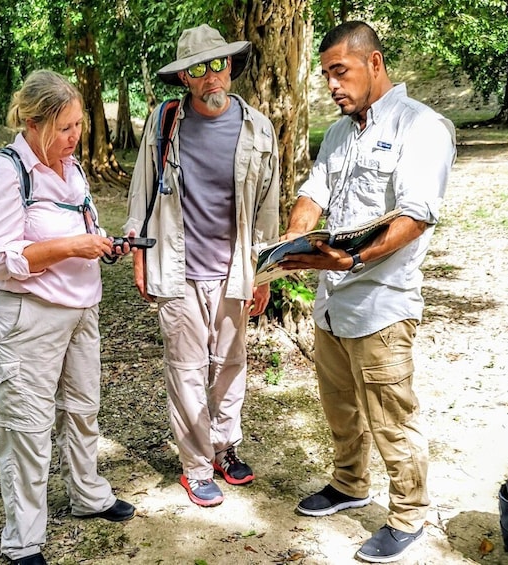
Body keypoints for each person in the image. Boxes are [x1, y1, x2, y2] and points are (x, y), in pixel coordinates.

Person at [280, 22, 456, 563]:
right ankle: (349, 483)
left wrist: (355, 257)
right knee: (339, 407)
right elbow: (315, 192)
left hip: (382, 299)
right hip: (333, 301)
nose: (331, 85)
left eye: (340, 71)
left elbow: (416, 215)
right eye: (326, 73)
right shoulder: (339, 133)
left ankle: (408, 515)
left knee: (391, 416)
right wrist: (289, 239)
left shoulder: (421, 126)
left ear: (374, 64)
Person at [0, 69, 135, 565]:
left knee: (84, 410)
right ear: (32, 121)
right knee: (27, 426)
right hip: (28, 318)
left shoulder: (72, 169)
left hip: (81, 310)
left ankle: (88, 494)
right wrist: (71, 246)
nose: (75, 137)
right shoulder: (6, 171)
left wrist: (102, 244)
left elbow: (83, 224)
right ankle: (23, 540)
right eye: (65, 128)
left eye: (80, 124)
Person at [123, 24, 280, 507]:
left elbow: (268, 207)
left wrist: (266, 273)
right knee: (187, 368)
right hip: (178, 268)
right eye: (198, 70)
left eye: (217, 66)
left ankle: (224, 447)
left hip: (236, 269)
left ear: (229, 67)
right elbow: (143, 190)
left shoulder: (258, 127)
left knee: (230, 365)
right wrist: (139, 254)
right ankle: (195, 464)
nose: (211, 78)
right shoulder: (164, 122)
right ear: (185, 79)